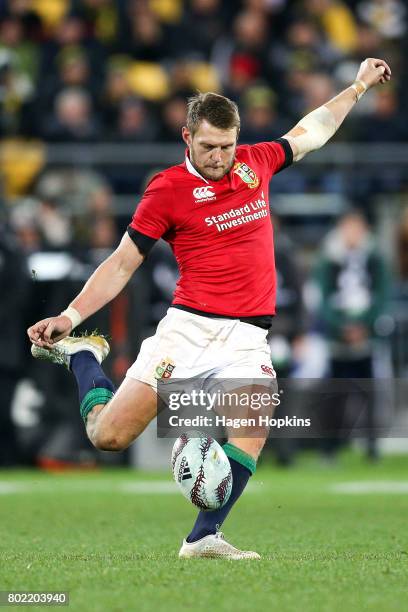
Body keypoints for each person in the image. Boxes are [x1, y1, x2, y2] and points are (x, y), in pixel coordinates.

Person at [27, 57, 391, 559]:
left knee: (254, 424)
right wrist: (69, 316)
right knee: (107, 435)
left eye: (226, 145)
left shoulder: (255, 163)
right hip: (189, 330)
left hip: (247, 336)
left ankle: (203, 537)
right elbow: (121, 263)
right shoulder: (166, 190)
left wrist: (355, 88)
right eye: (208, 147)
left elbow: (312, 130)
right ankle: (81, 356)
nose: (219, 157)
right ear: (187, 139)